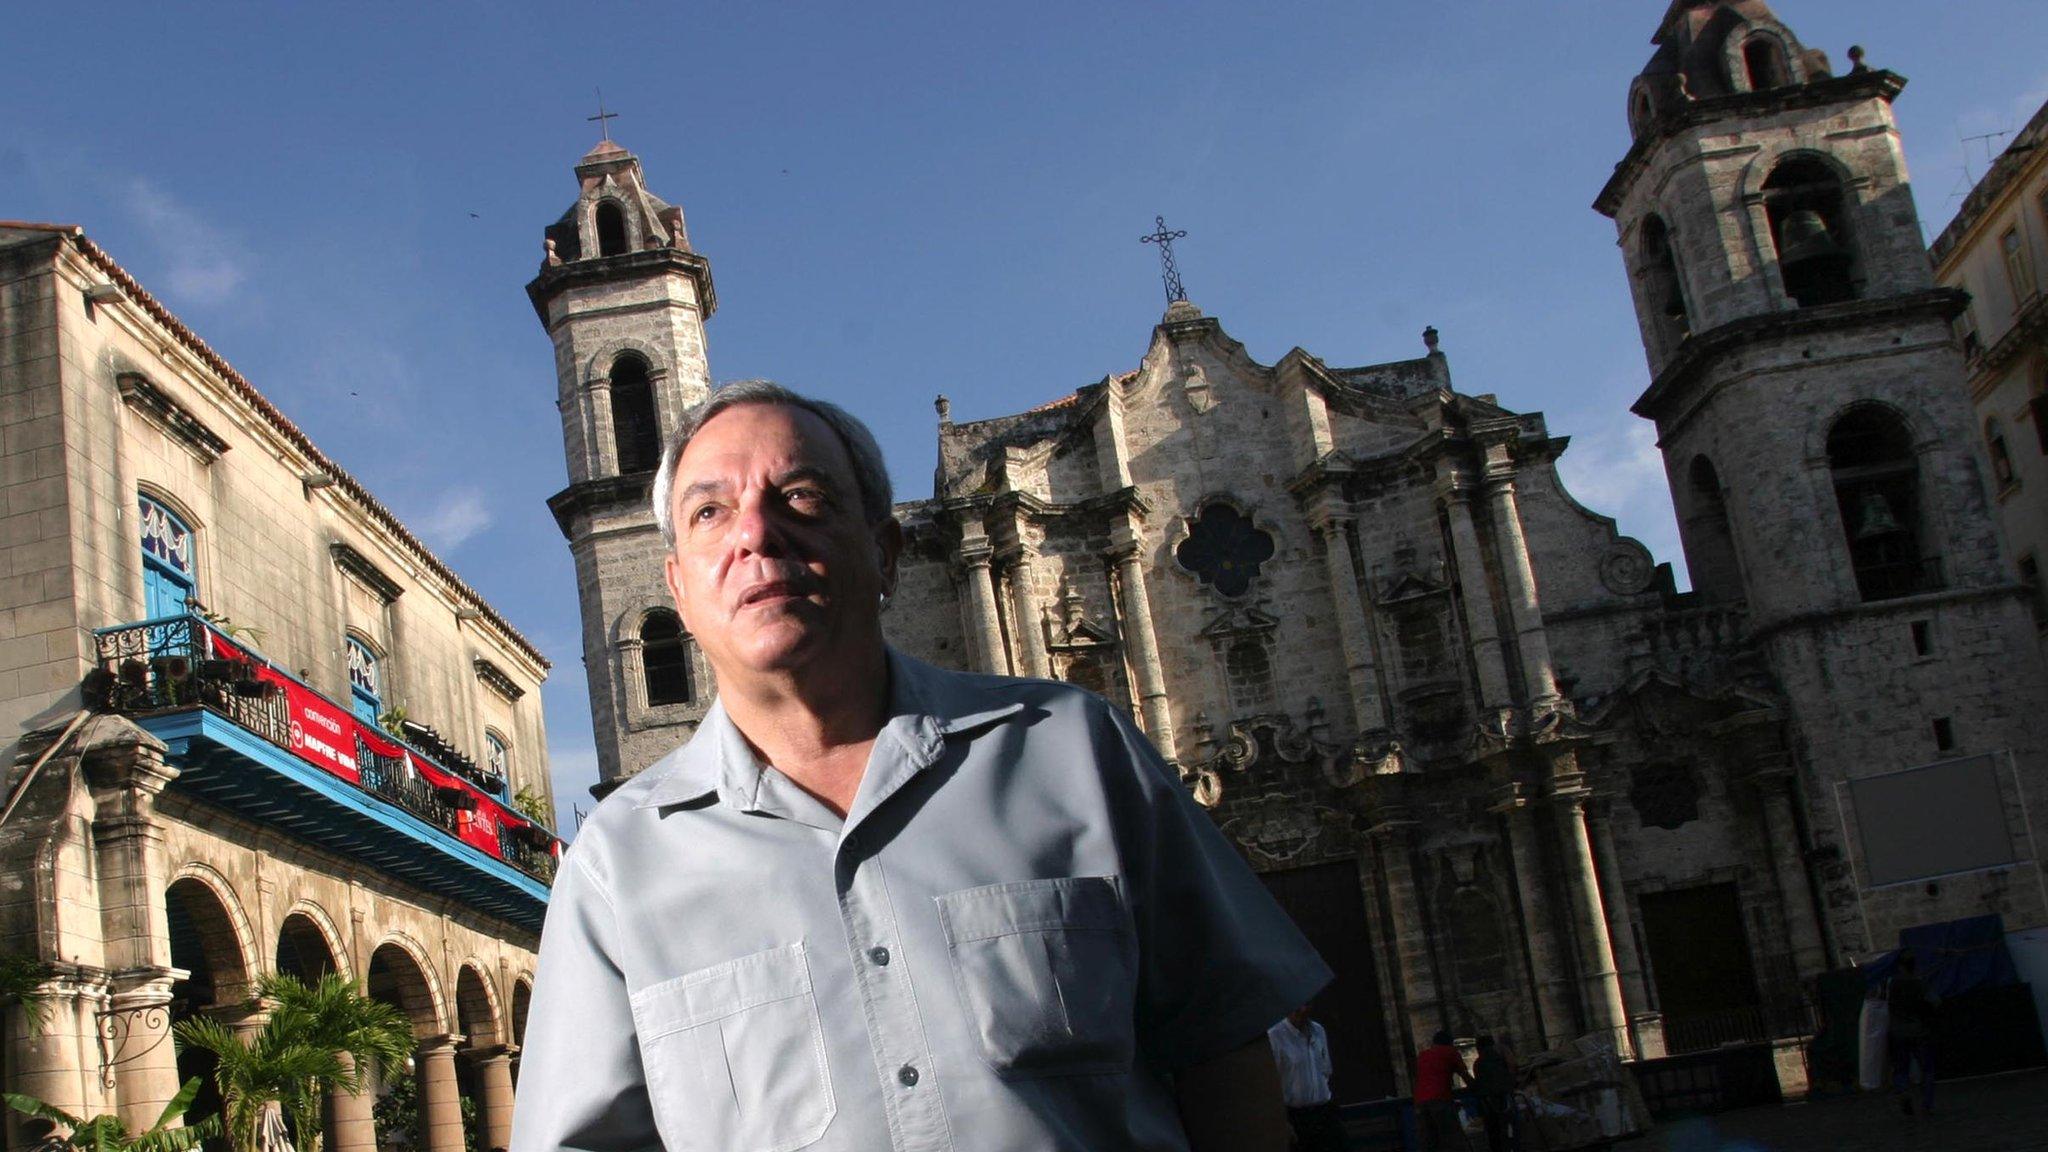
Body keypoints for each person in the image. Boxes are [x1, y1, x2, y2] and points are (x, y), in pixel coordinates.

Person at [510, 381, 1332, 1152]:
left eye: (801, 497)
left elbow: (1225, 1050)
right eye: (711, 513)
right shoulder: (618, 865)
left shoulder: (1074, 748)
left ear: (886, 550)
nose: (756, 534)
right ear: (679, 591)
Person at [1267, 1006, 1344, 1152]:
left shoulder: (1318, 1030)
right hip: (1296, 1116)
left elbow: (1325, 1069)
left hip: (1324, 1112)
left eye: (1305, 1005)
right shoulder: (1275, 1035)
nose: (1300, 1010)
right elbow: (1271, 1084)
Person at [1887, 952, 1939, 1116]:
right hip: (1919, 1031)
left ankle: (1904, 1093)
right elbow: (1935, 1002)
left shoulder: (1892, 984)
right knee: (1927, 1069)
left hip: (1898, 1032)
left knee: (1901, 1069)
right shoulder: (1920, 983)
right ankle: (1927, 1104)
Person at [1414, 1030, 1472, 1152]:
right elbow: (1464, 1075)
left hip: (1420, 1102)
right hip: (1440, 1099)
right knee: (1452, 1138)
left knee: (1429, 1140)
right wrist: (1476, 1087)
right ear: (1449, 1043)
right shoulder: (1451, 1052)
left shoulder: (1422, 1055)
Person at [1470, 1036, 1515, 1152]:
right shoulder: (1499, 1057)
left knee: (1493, 1133)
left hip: (1488, 1102)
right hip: (1503, 1098)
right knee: (1508, 1129)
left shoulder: (1478, 1063)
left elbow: (1479, 1084)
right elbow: (1511, 1070)